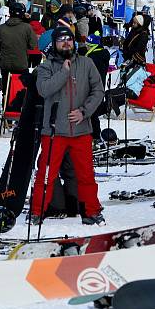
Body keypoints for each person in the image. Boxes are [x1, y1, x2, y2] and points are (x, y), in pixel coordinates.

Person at [30, 27, 105, 226]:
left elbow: (98, 91)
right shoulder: (46, 67)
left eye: (69, 39)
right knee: (46, 175)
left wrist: (84, 111)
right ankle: (38, 211)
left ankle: (92, 211)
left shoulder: (87, 63)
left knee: (87, 175)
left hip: (81, 130)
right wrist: (64, 72)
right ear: (54, 44)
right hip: (54, 132)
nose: (66, 43)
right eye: (61, 40)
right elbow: (44, 90)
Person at [0, 2, 38, 94]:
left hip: (5, 63)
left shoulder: (1, 28)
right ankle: (19, 104)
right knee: (22, 88)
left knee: (6, 88)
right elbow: (33, 45)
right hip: (21, 63)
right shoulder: (27, 28)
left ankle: (6, 104)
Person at [84, 32, 111, 140]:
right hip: (99, 88)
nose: (86, 47)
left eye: (88, 45)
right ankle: (95, 135)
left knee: (92, 114)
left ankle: (95, 136)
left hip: (92, 89)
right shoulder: (100, 55)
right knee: (93, 114)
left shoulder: (93, 58)